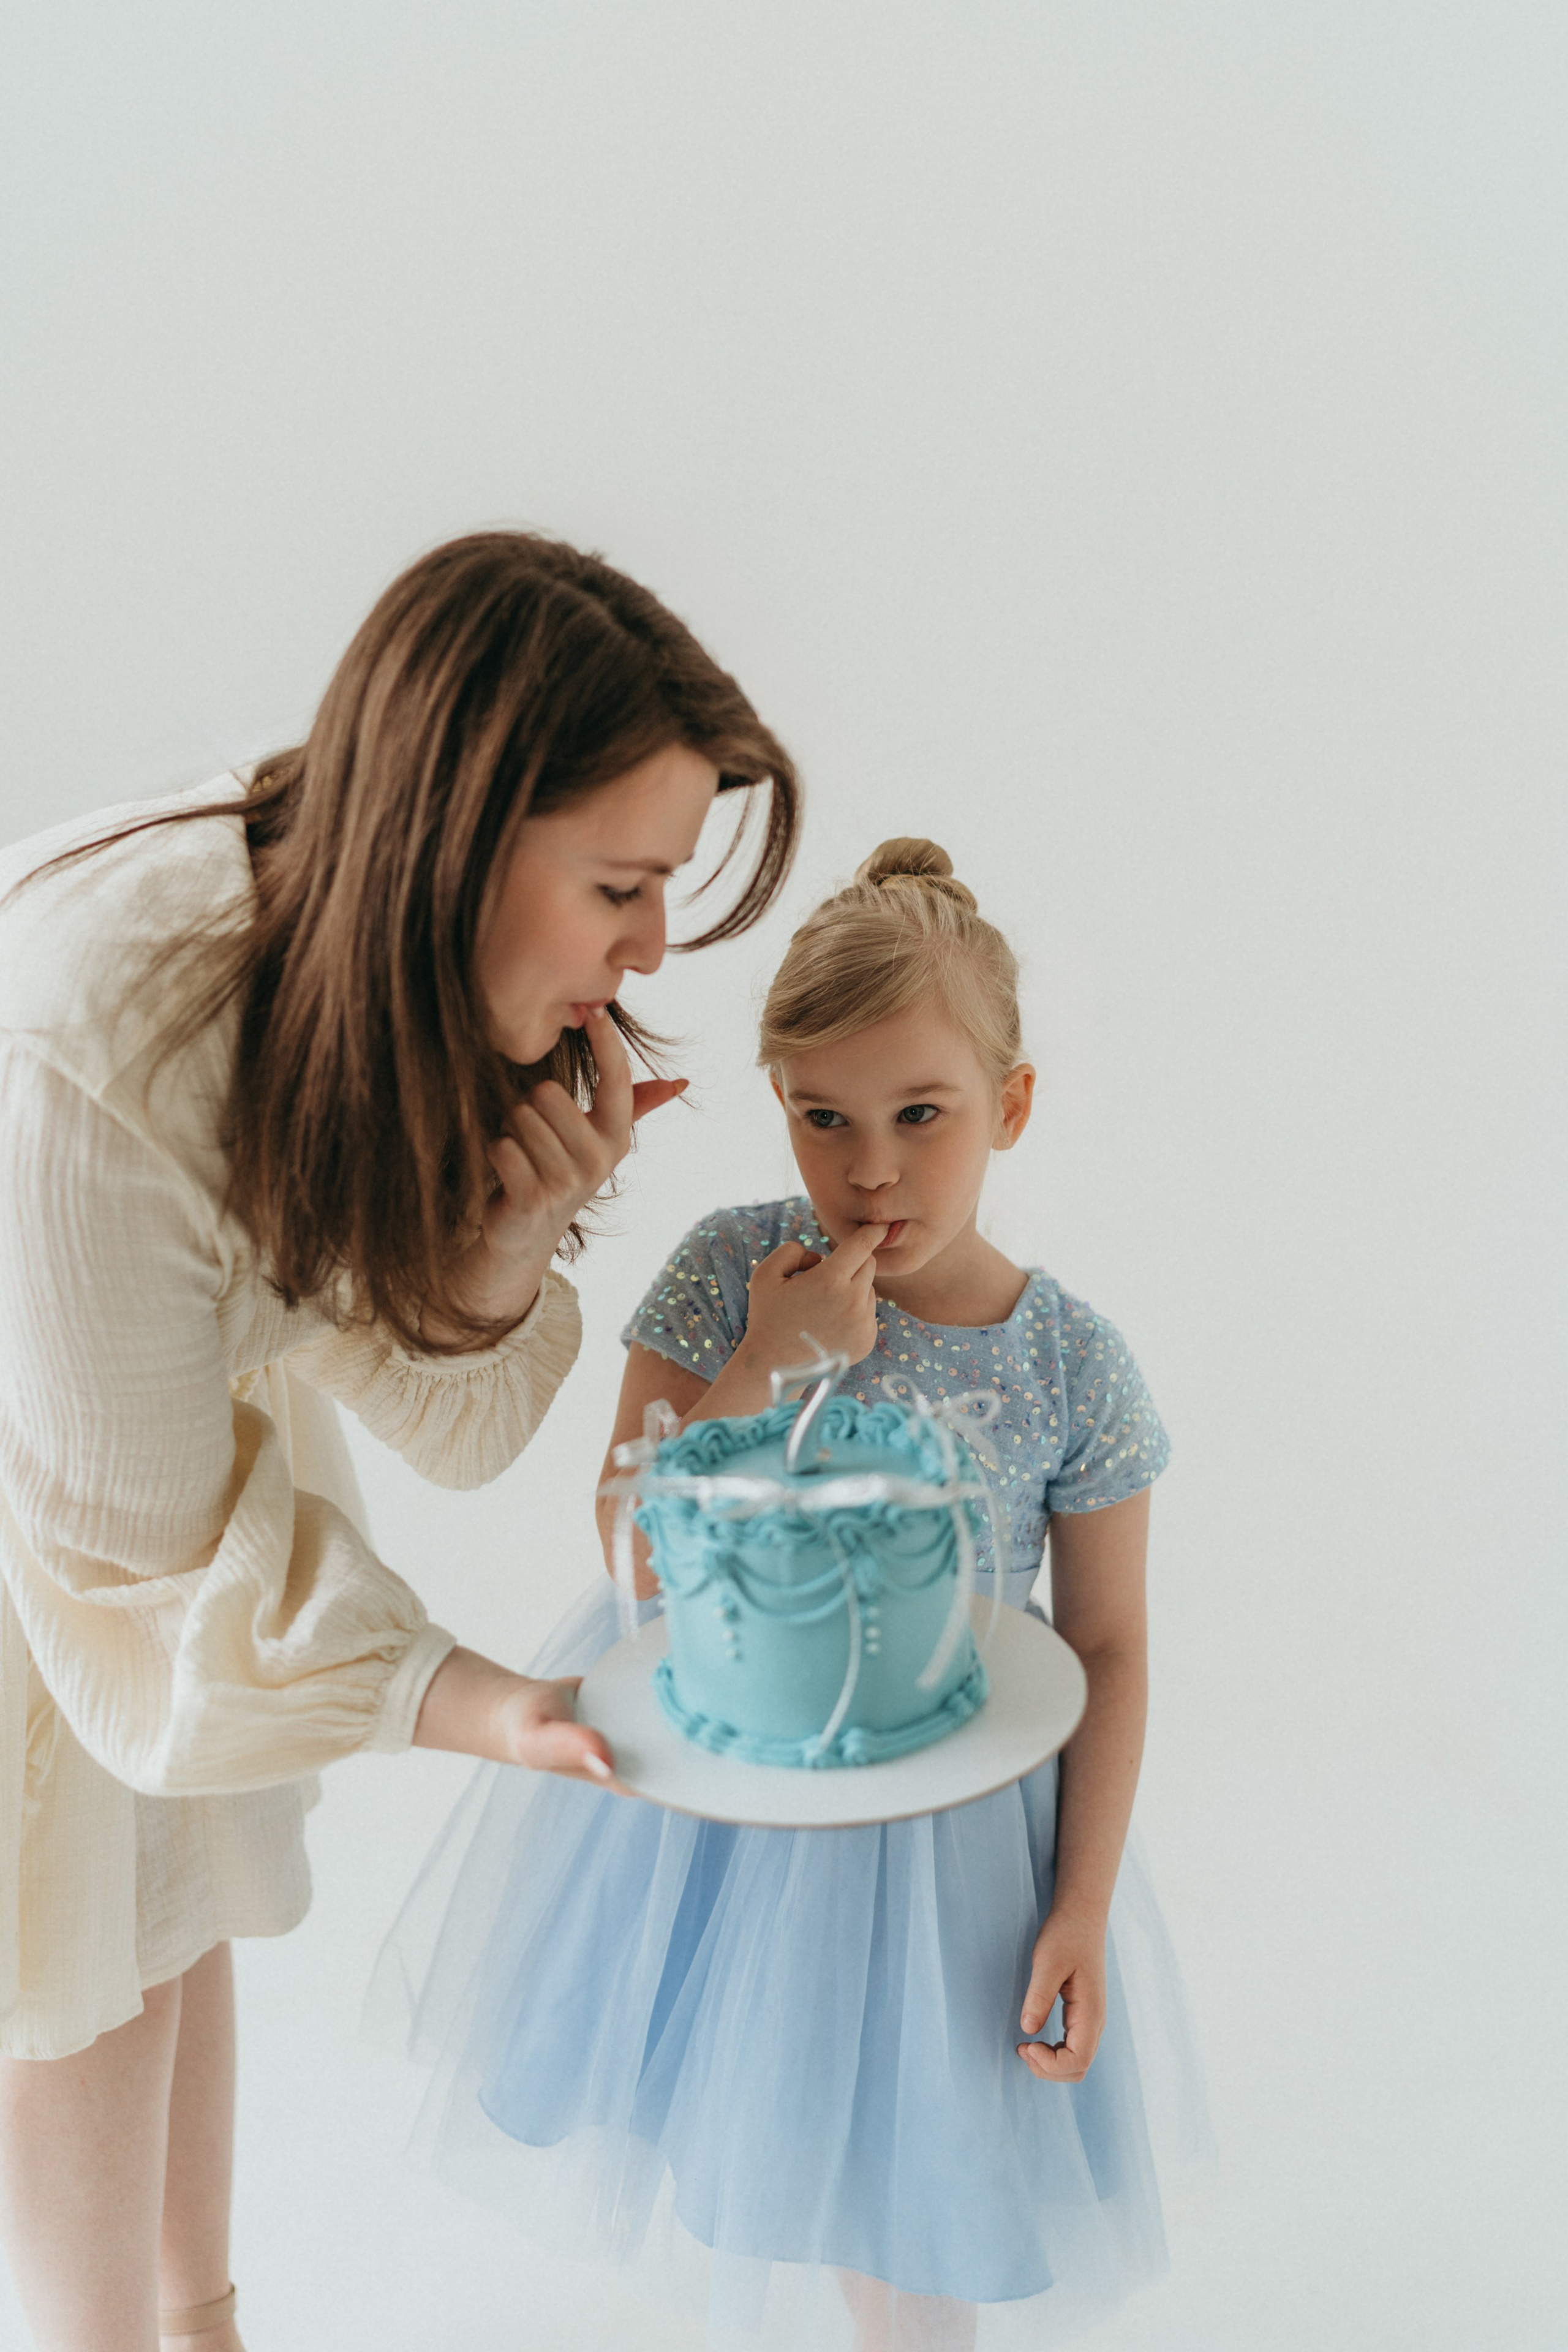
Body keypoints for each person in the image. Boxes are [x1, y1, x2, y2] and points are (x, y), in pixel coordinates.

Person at [0, 529, 800, 2352]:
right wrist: (482, 1701)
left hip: (140, 1428)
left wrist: (501, 1244)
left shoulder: (357, 968)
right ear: (464, 834)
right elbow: (147, 1594)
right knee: (80, 1955)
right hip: (49, 1467)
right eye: (620, 882)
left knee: (172, 1903)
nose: (651, 944)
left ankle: (201, 2326)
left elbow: (450, 1425)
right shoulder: (94, 1056)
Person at [386, 837, 1203, 2351]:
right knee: (762, 2123)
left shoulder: (1068, 1364)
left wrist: (1079, 1898)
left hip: (953, 1825)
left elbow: (1106, 1639)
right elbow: (633, 1556)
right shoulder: (728, 1275)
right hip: (731, 1793)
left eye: (919, 1115)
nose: (870, 1168)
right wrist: (766, 1367)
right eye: (823, 1119)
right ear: (780, 1106)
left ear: (1009, 1107)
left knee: (922, 2184)